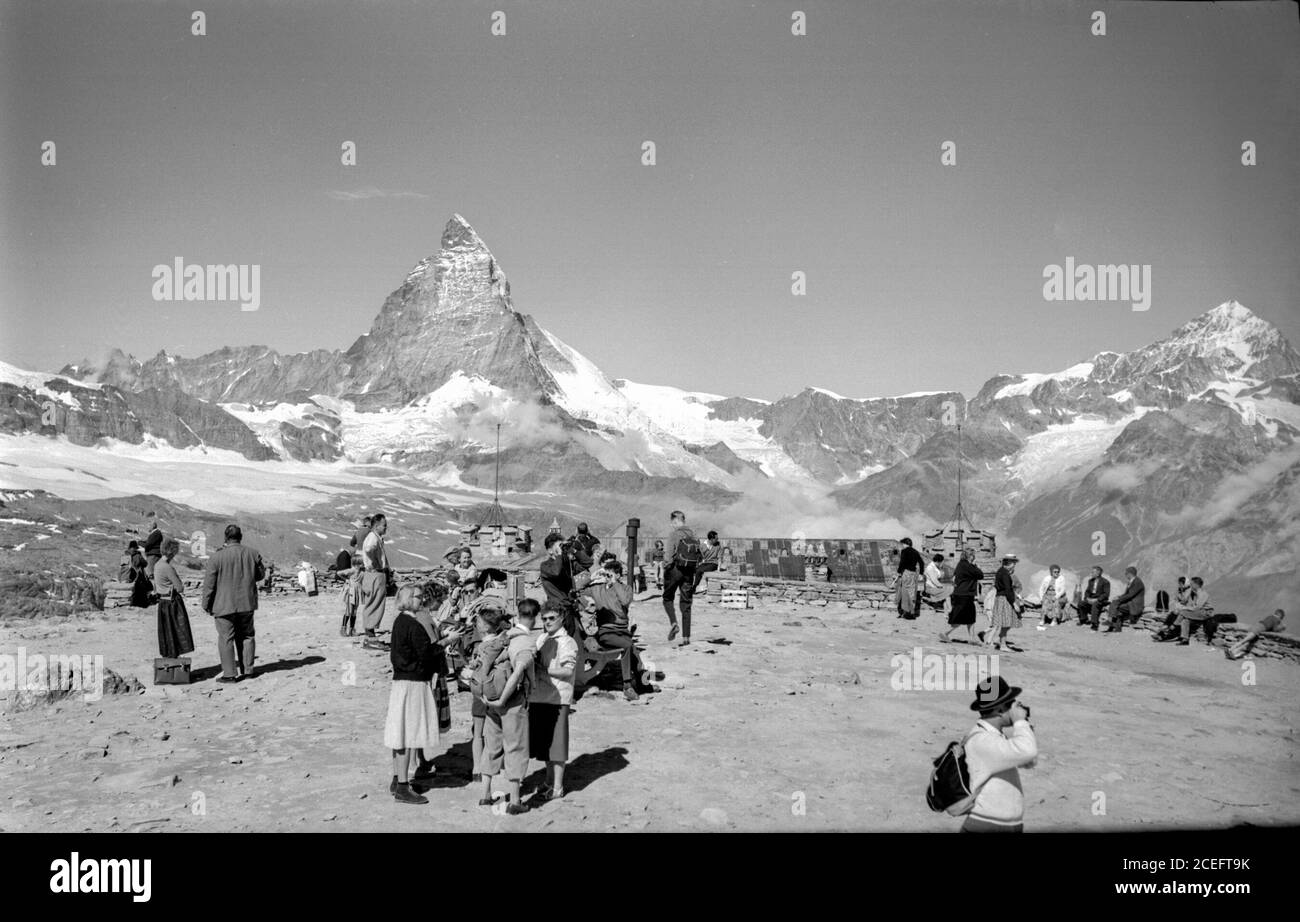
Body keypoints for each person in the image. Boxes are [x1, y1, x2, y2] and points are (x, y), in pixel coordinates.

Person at [479, 599, 539, 815]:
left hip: (490, 699)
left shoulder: (504, 636)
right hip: (511, 701)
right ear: (536, 617)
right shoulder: (525, 642)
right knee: (516, 746)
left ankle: (485, 793)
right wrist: (504, 699)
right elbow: (519, 670)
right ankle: (515, 799)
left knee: (492, 745)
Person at [384, 586, 441, 805]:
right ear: (409, 599)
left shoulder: (400, 621)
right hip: (413, 683)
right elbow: (427, 655)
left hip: (401, 682)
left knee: (400, 733)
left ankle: (398, 778)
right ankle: (402, 787)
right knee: (407, 735)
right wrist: (445, 642)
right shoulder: (413, 625)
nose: (422, 600)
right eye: (418, 597)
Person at [960, 675, 1038, 833]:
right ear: (1000, 709)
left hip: (1000, 825)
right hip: (986, 825)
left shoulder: (992, 737)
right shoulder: (982, 741)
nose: (1016, 708)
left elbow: (1029, 761)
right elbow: (1028, 752)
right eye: (1012, 704)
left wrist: (1025, 728)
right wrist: (1020, 722)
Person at [201, 524, 265, 684]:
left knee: (226, 638)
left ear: (225, 538)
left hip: (223, 604)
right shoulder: (253, 554)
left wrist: (206, 604)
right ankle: (248, 670)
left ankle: (230, 674)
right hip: (246, 603)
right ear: (240, 537)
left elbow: (209, 584)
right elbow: (259, 575)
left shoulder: (216, 557)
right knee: (247, 635)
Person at [531, 603, 578, 801]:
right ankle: (549, 781)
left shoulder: (568, 642)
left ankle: (558, 786)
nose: (547, 622)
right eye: (544, 618)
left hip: (557, 698)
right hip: (539, 696)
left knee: (557, 746)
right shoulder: (542, 638)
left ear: (561, 618)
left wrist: (544, 671)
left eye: (551, 618)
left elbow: (568, 671)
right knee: (545, 744)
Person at [582, 558, 641, 701]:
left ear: (618, 575)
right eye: (605, 575)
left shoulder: (626, 589)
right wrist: (592, 577)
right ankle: (627, 686)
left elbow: (625, 601)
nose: (606, 578)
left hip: (622, 631)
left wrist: (615, 583)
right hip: (606, 632)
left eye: (609, 575)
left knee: (635, 656)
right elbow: (578, 589)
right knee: (628, 646)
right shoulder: (598, 589)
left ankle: (644, 683)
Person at [465, 605, 510, 785]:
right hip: (498, 690)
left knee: (478, 732)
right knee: (499, 731)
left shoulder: (483, 646)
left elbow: (479, 669)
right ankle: (499, 765)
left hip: (480, 692)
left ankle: (477, 767)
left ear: (483, 626)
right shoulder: (503, 641)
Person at [662, 511, 699, 645]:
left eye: (672, 523)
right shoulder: (693, 535)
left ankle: (673, 622)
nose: (672, 526)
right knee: (686, 603)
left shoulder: (674, 534)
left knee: (667, 598)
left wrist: (666, 568)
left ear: (675, 521)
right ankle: (686, 638)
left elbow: (669, 556)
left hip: (675, 570)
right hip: (689, 572)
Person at [153, 538, 195, 659]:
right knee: (176, 632)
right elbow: (179, 587)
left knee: (167, 634)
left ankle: (169, 658)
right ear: (172, 552)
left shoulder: (157, 565)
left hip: (162, 602)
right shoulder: (167, 567)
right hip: (172, 603)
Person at [940, 547, 984, 644]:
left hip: (963, 593)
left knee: (971, 617)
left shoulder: (960, 565)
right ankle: (945, 633)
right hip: (965, 594)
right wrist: (975, 565)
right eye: (973, 556)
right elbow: (980, 575)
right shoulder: (968, 566)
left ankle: (972, 638)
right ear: (971, 556)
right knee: (960, 617)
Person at [539, 532, 578, 638]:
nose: (562, 549)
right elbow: (556, 572)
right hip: (555, 610)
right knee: (554, 643)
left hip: (568, 608)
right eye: (559, 546)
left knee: (568, 640)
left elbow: (587, 563)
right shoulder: (545, 566)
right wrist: (560, 554)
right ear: (550, 550)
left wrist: (574, 548)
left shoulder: (565, 563)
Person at [358, 513, 390, 641]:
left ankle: (370, 631)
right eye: (384, 525)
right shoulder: (373, 538)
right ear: (377, 526)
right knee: (374, 603)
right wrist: (374, 561)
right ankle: (369, 634)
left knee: (373, 602)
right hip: (374, 573)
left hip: (373, 573)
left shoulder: (376, 537)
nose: (386, 528)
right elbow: (369, 548)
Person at [982, 555, 1021, 651]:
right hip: (1004, 599)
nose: (1014, 565)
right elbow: (1008, 589)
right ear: (1010, 563)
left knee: (1002, 622)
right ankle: (1003, 644)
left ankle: (996, 641)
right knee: (1006, 622)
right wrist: (1014, 603)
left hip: (1000, 598)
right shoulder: (1005, 574)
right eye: (1014, 563)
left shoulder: (1000, 571)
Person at [1173, 577, 1215, 645]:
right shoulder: (1195, 593)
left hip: (1206, 613)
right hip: (1200, 612)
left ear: (1196, 584)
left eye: (1192, 584)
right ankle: (1185, 639)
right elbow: (1192, 605)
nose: (1190, 585)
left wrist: (1184, 608)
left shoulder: (1202, 594)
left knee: (1183, 612)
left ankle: (1174, 626)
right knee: (1185, 619)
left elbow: (1197, 607)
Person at [1107, 566, 1145, 632]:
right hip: (1130, 603)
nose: (1125, 575)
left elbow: (1130, 595)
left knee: (1116, 605)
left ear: (1130, 573)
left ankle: (1110, 621)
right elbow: (1126, 594)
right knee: (1117, 608)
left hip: (1135, 605)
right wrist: (1119, 597)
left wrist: (1119, 599)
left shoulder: (1137, 582)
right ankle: (1116, 628)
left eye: (1126, 573)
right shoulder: (1131, 581)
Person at [896, 537, 923, 619]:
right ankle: (911, 613)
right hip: (914, 574)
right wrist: (921, 573)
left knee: (904, 592)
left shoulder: (904, 551)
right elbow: (921, 562)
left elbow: (902, 562)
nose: (902, 546)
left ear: (906, 544)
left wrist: (898, 571)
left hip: (906, 573)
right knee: (911, 593)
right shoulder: (915, 552)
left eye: (902, 544)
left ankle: (905, 612)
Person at [1079, 565, 1110, 630]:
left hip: (1101, 600)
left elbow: (1106, 594)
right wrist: (1087, 598)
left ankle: (1094, 624)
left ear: (1098, 573)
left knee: (1095, 605)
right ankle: (1084, 620)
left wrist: (1097, 599)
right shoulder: (1091, 581)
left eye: (1093, 572)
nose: (1091, 573)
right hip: (1091, 598)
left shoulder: (1105, 582)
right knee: (1081, 603)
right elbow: (1087, 591)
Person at [1036, 564, 1067, 630]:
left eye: (1058, 572)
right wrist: (1041, 597)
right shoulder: (1047, 578)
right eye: (1055, 572)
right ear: (1051, 572)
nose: (1056, 573)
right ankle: (1042, 619)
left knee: (1055, 602)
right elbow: (1041, 588)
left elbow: (1063, 590)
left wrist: (1056, 596)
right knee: (1045, 602)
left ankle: (1054, 620)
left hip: (1058, 595)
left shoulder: (1061, 578)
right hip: (1047, 594)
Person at [142, 512, 163, 579]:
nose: (147, 527)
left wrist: (139, 543)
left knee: (150, 573)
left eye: (148, 526)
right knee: (151, 572)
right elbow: (147, 542)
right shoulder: (154, 534)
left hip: (153, 555)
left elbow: (148, 544)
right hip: (153, 555)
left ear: (153, 526)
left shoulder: (156, 533)